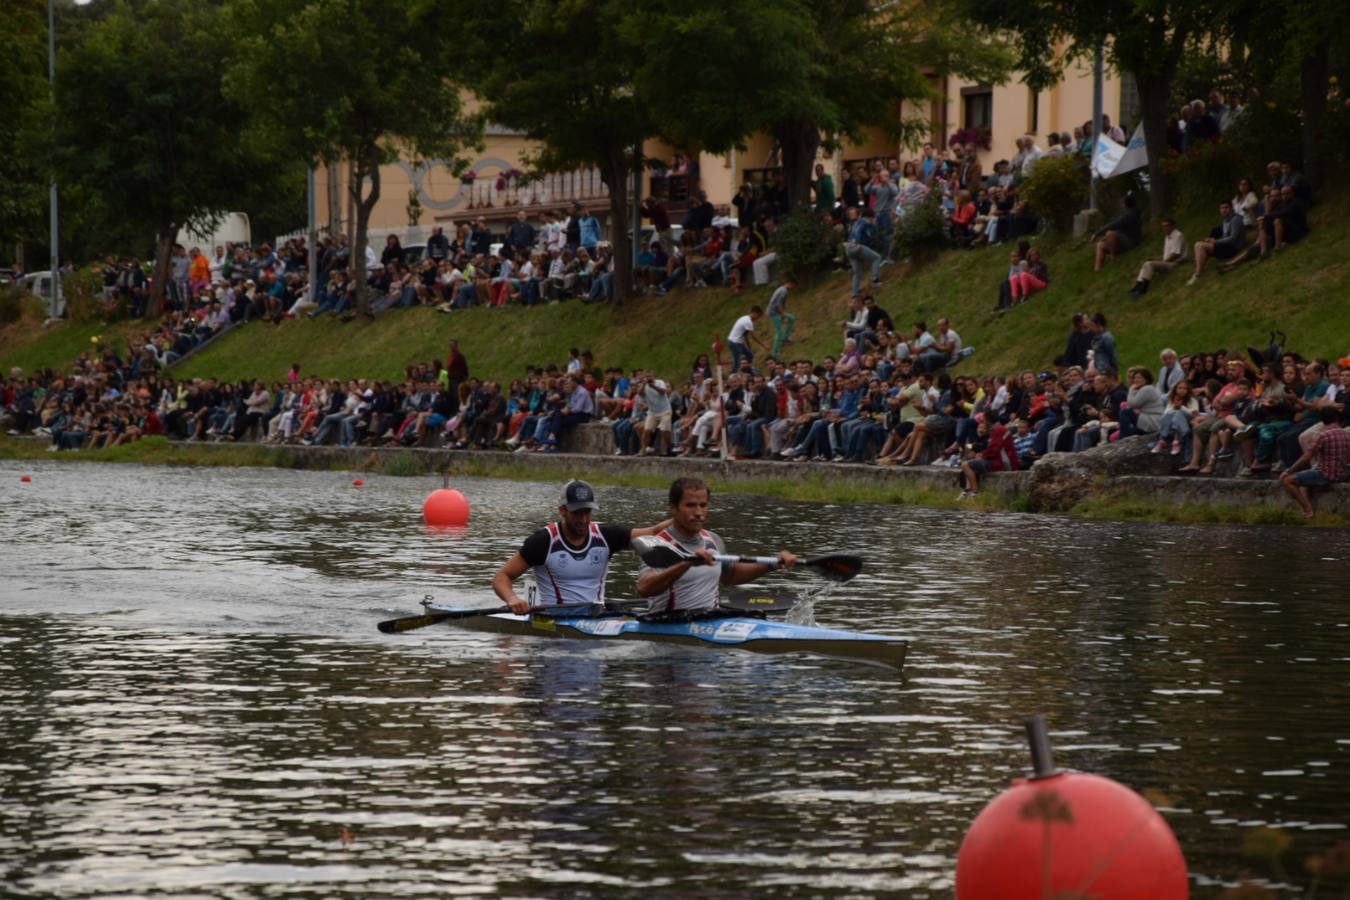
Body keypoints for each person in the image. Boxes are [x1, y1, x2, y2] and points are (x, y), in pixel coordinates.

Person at [491, 480, 671, 615]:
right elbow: (502, 577)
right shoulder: (543, 541)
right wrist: (512, 599)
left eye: (587, 511)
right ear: (562, 510)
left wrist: (684, 518)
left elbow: (653, 532)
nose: (584, 519)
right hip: (556, 619)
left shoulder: (606, 536)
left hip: (597, 615)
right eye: (577, 513)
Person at [636, 477, 797, 616]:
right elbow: (644, 587)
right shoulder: (657, 544)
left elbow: (730, 575)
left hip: (709, 621)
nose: (699, 512)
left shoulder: (712, 539)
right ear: (673, 508)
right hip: (667, 627)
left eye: (703, 505)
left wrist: (772, 564)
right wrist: (686, 564)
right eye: (690, 505)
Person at [1279, 409, 1349, 518]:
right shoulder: (1346, 434)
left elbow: (1306, 457)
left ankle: (1307, 510)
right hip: (1343, 473)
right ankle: (1308, 509)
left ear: (1322, 420)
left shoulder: (1322, 435)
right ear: (1337, 418)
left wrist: (1289, 470)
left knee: (1287, 480)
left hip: (1325, 475)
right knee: (1305, 482)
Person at [1186, 200, 1245, 284]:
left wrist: (1216, 241)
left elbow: (1233, 238)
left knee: (1199, 245)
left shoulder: (1235, 219)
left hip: (1233, 248)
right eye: (1222, 208)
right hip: (1226, 246)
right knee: (1201, 246)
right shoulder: (1226, 220)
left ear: (1231, 208)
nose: (1224, 210)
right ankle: (1197, 269)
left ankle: (1197, 274)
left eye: (1226, 207)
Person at [1129, 218, 1187, 296]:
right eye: (1163, 227)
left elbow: (1176, 254)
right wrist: (1158, 259)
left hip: (1175, 263)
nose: (1165, 228)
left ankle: (1143, 288)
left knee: (1149, 264)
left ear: (1173, 226)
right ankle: (1138, 284)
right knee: (1147, 263)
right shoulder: (1167, 237)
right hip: (1168, 261)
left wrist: (1163, 262)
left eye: (1167, 226)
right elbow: (1168, 253)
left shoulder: (1178, 235)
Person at [1091, 194, 1142, 272]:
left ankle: (1113, 256)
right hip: (1123, 241)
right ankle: (1097, 270)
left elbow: (1114, 224)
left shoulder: (1130, 215)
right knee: (1100, 245)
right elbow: (1120, 226)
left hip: (1131, 241)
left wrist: (1097, 233)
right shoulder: (1129, 214)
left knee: (1110, 233)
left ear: (1126, 204)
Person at [727, 306, 767, 374]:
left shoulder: (744, 318)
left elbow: (745, 334)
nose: (758, 318)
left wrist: (748, 346)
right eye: (759, 316)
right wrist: (764, 345)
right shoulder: (748, 322)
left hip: (738, 342)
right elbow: (754, 336)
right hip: (735, 343)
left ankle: (747, 370)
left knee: (750, 355)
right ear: (755, 313)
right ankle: (733, 375)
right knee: (737, 362)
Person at [766, 278, 796, 358]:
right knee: (779, 332)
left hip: (778, 311)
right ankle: (775, 352)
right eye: (793, 286)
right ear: (790, 283)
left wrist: (784, 314)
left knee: (792, 318)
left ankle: (785, 338)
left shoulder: (782, 289)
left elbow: (782, 304)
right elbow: (778, 305)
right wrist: (783, 317)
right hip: (774, 313)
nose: (793, 288)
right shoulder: (783, 291)